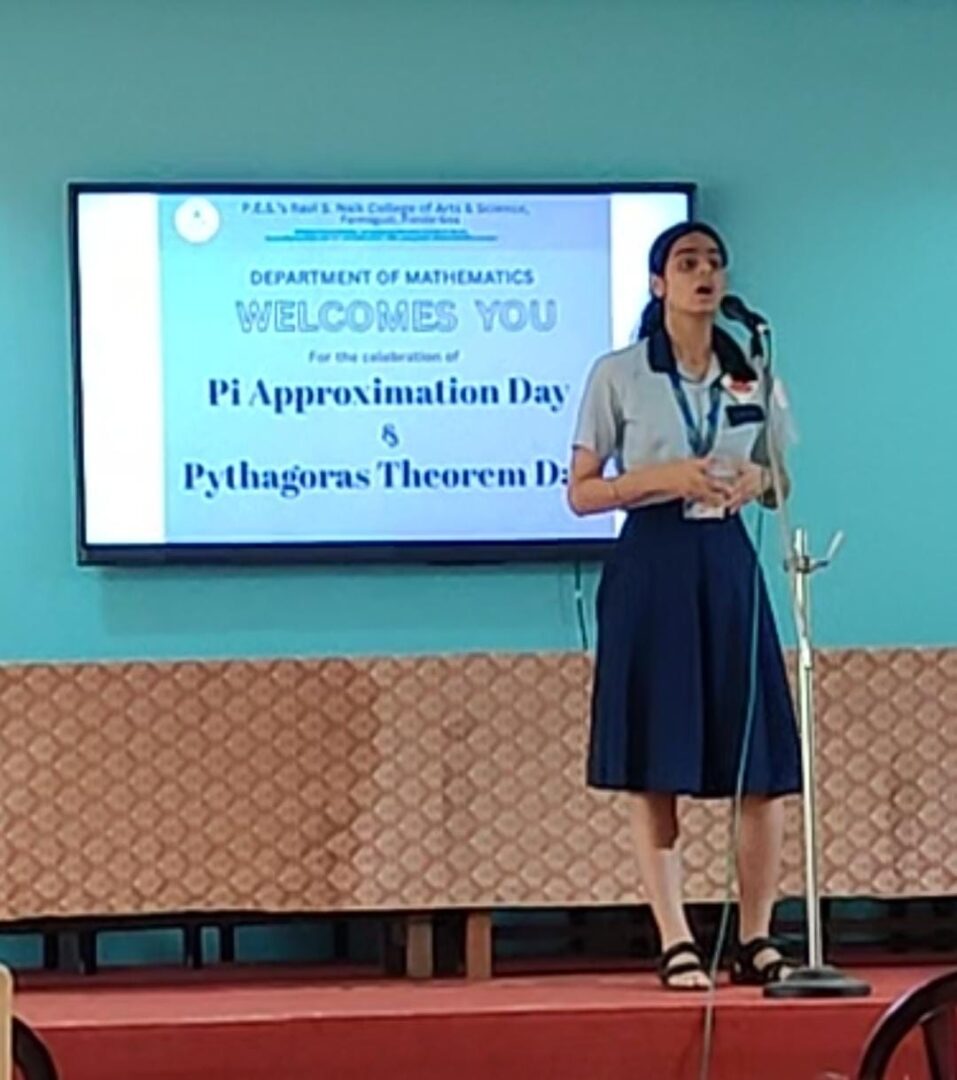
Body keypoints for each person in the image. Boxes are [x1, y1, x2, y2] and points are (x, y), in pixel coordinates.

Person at [567, 222, 801, 990]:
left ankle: (756, 936)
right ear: (657, 283)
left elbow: (779, 478)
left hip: (724, 561)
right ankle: (674, 938)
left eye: (713, 263)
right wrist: (662, 478)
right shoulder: (620, 374)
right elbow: (580, 493)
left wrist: (754, 482)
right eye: (686, 262)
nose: (704, 274)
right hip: (652, 562)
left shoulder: (749, 372)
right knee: (656, 758)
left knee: (758, 759)